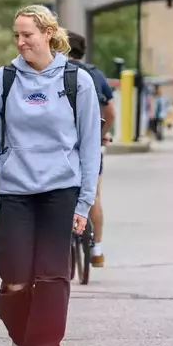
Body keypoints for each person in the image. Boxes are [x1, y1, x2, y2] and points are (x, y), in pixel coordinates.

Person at [0, 4, 100, 346]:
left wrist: (85, 201)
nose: (20, 41)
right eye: (16, 35)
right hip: (15, 191)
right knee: (13, 280)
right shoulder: (4, 79)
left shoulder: (77, 81)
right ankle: (23, 336)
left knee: (52, 276)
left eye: (27, 34)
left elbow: (90, 146)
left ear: (48, 33)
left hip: (61, 190)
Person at [66, 32, 115, 267]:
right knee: (93, 195)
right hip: (90, 142)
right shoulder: (95, 74)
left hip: (63, 144)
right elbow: (111, 111)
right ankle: (97, 250)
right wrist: (102, 135)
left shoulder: (54, 72)